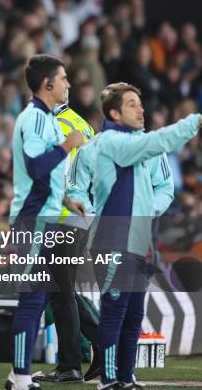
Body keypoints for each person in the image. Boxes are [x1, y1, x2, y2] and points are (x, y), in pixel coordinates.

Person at [90, 83, 200, 390]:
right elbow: (158, 142)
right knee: (114, 311)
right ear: (115, 114)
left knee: (134, 313)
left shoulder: (141, 146)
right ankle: (108, 380)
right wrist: (194, 121)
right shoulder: (111, 142)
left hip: (139, 240)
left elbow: (155, 193)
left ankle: (126, 377)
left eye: (140, 104)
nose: (141, 110)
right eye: (132, 105)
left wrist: (148, 227)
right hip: (113, 239)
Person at [6, 54, 85, 390]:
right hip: (34, 220)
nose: (68, 83)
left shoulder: (47, 118)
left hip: (45, 216)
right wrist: (67, 145)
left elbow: (45, 176)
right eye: (63, 78)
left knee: (38, 298)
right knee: (33, 299)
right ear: (47, 83)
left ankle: (19, 375)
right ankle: (20, 377)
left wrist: (66, 200)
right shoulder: (36, 119)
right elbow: (36, 167)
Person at [35, 104, 99, 383]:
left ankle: (70, 365)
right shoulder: (83, 124)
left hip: (63, 214)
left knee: (61, 292)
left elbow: (53, 173)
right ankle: (105, 346)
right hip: (83, 213)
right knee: (63, 289)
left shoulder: (53, 125)